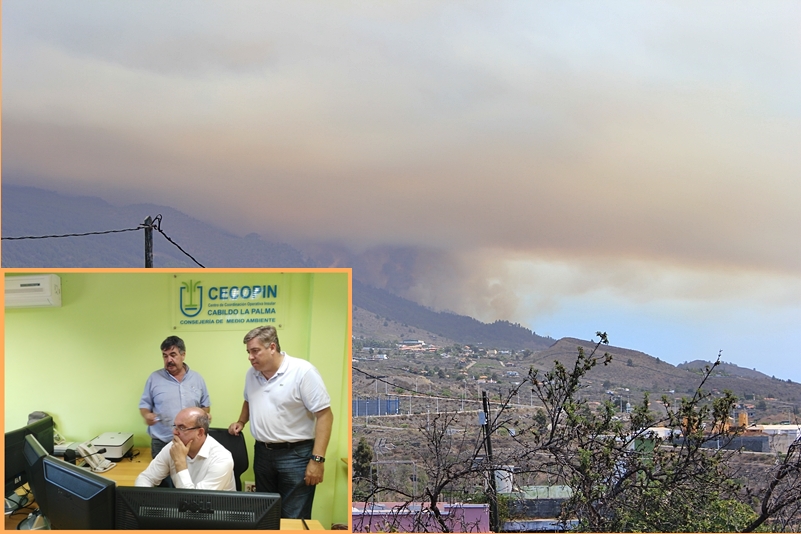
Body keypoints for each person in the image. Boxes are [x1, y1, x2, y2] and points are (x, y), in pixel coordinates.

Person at [228, 325, 333, 519]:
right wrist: (241, 421)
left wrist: (317, 460)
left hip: (296, 456)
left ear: (272, 347)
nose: (250, 357)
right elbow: (249, 400)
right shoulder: (252, 374)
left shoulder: (303, 372)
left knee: (293, 517)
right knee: (265, 514)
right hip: (263, 454)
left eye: (255, 351)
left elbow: (325, 415)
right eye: (248, 352)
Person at [139, 336, 211, 462]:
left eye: (173, 355)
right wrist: (147, 415)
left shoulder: (197, 379)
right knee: (162, 480)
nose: (169, 360)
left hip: (190, 442)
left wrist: (205, 415)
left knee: (188, 479)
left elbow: (205, 406)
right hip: (162, 442)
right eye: (165, 356)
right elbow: (144, 405)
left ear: (183, 355)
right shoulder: (154, 378)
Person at [135, 407, 235, 491]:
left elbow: (196, 503)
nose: (175, 432)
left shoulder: (222, 458)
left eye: (182, 428)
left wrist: (180, 463)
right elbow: (146, 478)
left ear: (200, 433)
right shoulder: (173, 447)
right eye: (175, 426)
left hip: (215, 511)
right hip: (182, 509)